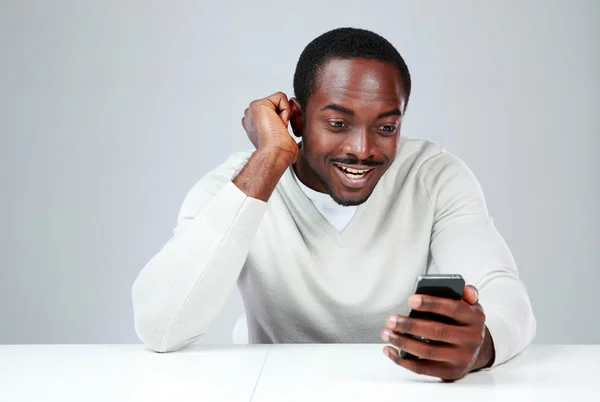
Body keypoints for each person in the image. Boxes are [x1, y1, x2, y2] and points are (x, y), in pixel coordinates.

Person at [132, 27, 536, 381]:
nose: (362, 149)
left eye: (386, 127)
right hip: (271, 387)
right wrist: (271, 157)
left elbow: (504, 291)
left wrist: (480, 345)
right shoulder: (242, 182)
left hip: (397, 388)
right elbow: (160, 325)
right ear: (298, 118)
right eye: (338, 124)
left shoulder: (432, 175)